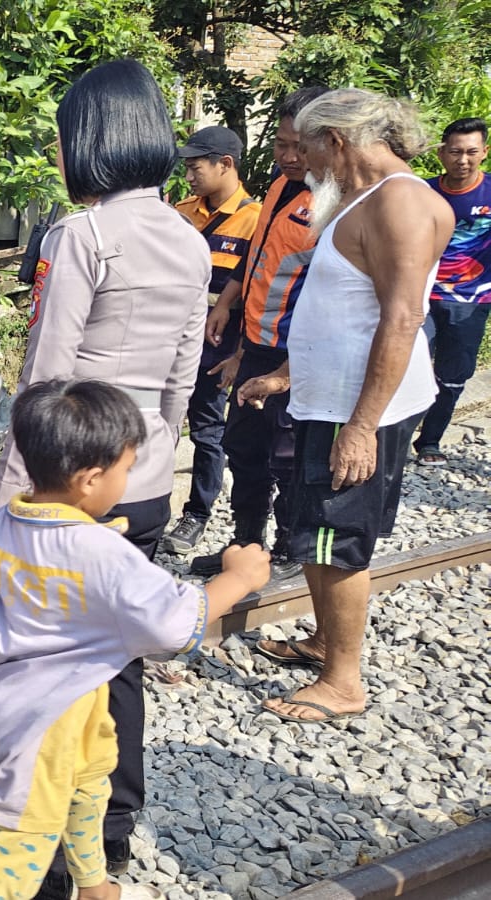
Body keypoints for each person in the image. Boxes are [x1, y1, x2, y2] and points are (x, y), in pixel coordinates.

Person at [0, 59, 209, 900]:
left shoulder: (82, 237)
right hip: (144, 480)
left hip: (64, 492)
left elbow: (45, 384)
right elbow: (184, 377)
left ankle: (42, 845)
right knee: (117, 664)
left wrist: (13, 498)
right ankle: (113, 832)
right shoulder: (188, 237)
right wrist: (152, 460)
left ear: (90, 139)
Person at [0, 380, 270, 900]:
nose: (128, 479)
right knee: (7, 866)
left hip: (34, 700)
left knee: (89, 788)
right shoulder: (103, 551)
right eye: (126, 469)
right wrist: (238, 579)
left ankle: (92, 883)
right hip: (50, 722)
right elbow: (174, 624)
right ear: (89, 480)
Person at [239, 88, 451, 723]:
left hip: (358, 412)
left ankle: (343, 682)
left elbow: (403, 316)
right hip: (326, 399)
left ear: (335, 141)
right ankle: (326, 643)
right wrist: (284, 372)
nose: (299, 161)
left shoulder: (401, 204)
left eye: (303, 147)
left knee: (336, 538)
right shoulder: (361, 198)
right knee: (312, 528)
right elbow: (341, 313)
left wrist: (360, 426)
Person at [188, 87, 331, 582]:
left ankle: (293, 547)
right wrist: (228, 308)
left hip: (299, 356)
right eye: (281, 145)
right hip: (256, 345)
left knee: (288, 456)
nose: (289, 157)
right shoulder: (278, 187)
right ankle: (247, 543)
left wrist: (289, 371)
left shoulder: (336, 201)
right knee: (244, 448)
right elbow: (256, 259)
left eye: (300, 146)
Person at [164, 126, 262, 553]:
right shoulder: (180, 212)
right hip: (169, 335)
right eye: (185, 167)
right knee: (157, 422)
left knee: (207, 429)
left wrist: (241, 352)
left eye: (195, 166)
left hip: (218, 342)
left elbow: (257, 290)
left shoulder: (256, 220)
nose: (189, 175)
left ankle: (196, 513)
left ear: (226, 164)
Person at [413, 117, 491, 465]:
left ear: (484, 153)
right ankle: (390, 436)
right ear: (442, 153)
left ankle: (430, 441)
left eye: (472, 152)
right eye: (455, 152)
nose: (463, 160)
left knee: (453, 376)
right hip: (421, 296)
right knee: (406, 364)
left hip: (473, 301)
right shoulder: (421, 193)